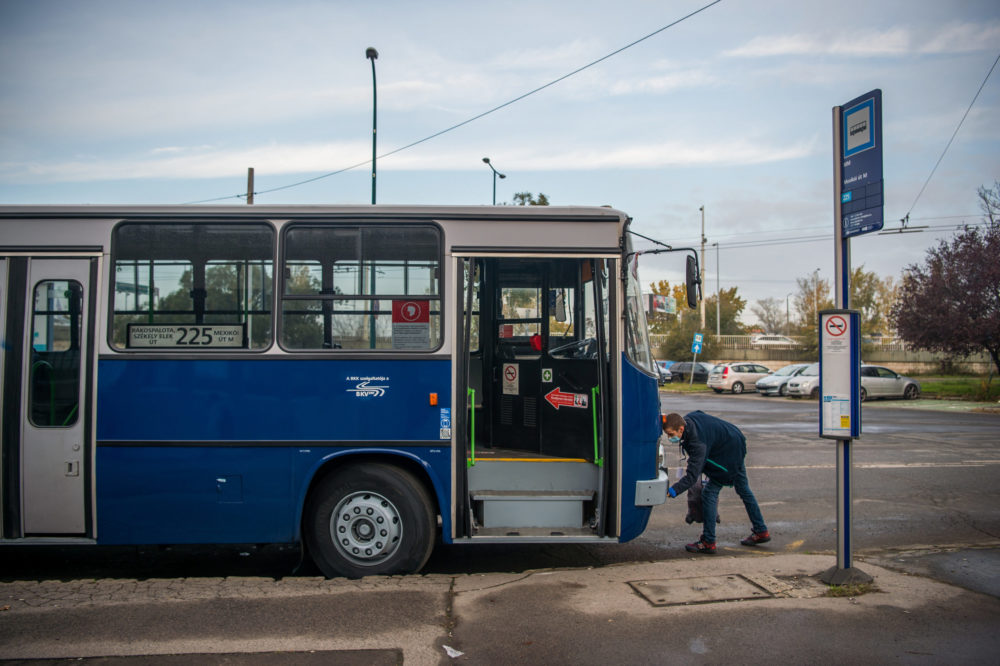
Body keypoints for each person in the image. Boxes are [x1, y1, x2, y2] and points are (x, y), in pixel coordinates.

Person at [663, 410, 770, 554]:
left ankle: (708, 541)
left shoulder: (698, 443)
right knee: (744, 489)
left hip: (728, 454)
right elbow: (700, 413)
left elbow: (692, 476)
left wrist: (673, 490)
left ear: (681, 429)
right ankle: (761, 530)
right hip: (734, 441)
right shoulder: (689, 420)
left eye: (671, 434)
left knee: (708, 494)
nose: (670, 438)